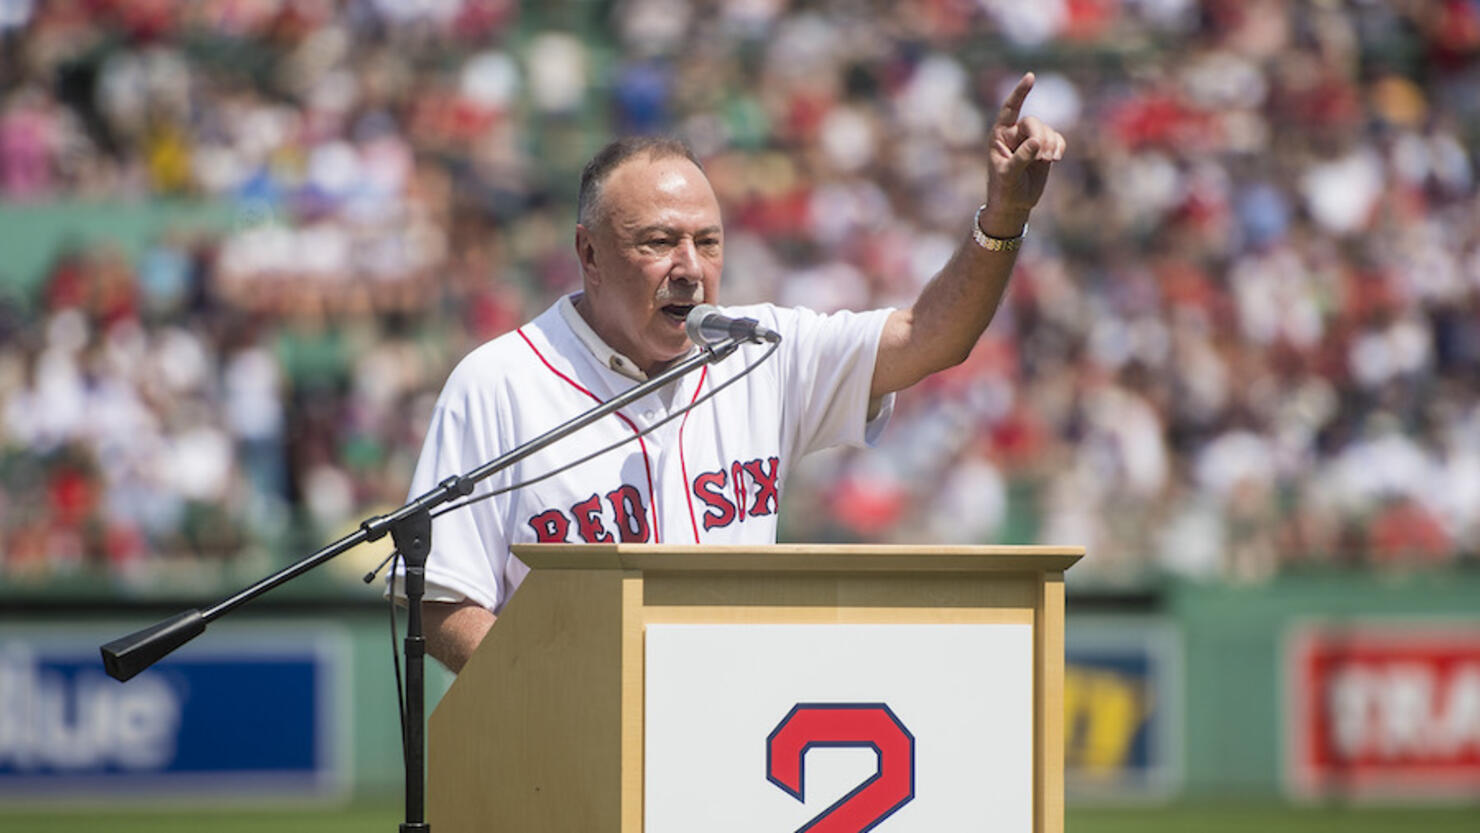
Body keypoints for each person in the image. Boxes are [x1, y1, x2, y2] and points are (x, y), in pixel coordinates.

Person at [398, 73, 1065, 672]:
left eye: (708, 241)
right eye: (659, 241)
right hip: (571, 765)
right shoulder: (500, 380)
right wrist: (563, 700)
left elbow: (930, 337)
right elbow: (441, 599)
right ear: (589, 250)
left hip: (733, 739)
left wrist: (1003, 219)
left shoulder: (760, 348)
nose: (690, 265)